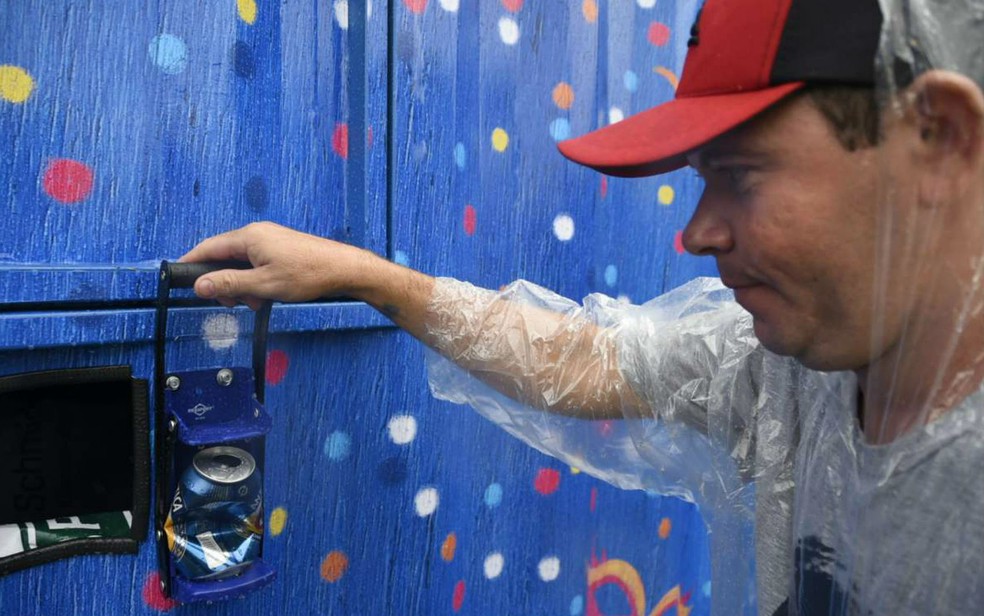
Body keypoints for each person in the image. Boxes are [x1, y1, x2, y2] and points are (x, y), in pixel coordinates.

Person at [181, 0, 984, 613]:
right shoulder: (783, 372)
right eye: (702, 178)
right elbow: (583, 360)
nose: (697, 233)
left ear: (939, 141)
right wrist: (367, 277)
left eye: (742, 174)